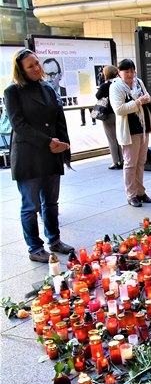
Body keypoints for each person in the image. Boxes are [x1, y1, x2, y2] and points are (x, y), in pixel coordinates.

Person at [3, 49, 74, 262]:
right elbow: (19, 126)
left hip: (51, 154)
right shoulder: (12, 92)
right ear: (21, 70)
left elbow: (58, 118)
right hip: (29, 157)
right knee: (30, 205)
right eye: (30, 66)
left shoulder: (47, 87)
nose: (36, 68)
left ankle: (54, 239)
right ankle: (35, 247)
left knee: (51, 202)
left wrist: (65, 144)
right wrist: (48, 142)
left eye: (37, 63)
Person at [109, 58, 151, 208]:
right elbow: (119, 109)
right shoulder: (116, 87)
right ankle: (131, 195)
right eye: (126, 71)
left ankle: (141, 192)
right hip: (129, 130)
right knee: (130, 163)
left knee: (141, 162)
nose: (130, 74)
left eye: (132, 71)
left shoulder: (139, 82)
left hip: (143, 127)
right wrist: (138, 102)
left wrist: (146, 98)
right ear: (119, 72)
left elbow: (147, 96)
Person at [95, 65, 123, 169]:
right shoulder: (119, 84)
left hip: (108, 115)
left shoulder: (104, 85)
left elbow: (97, 96)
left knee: (111, 138)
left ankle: (115, 162)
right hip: (119, 113)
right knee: (120, 137)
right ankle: (122, 160)